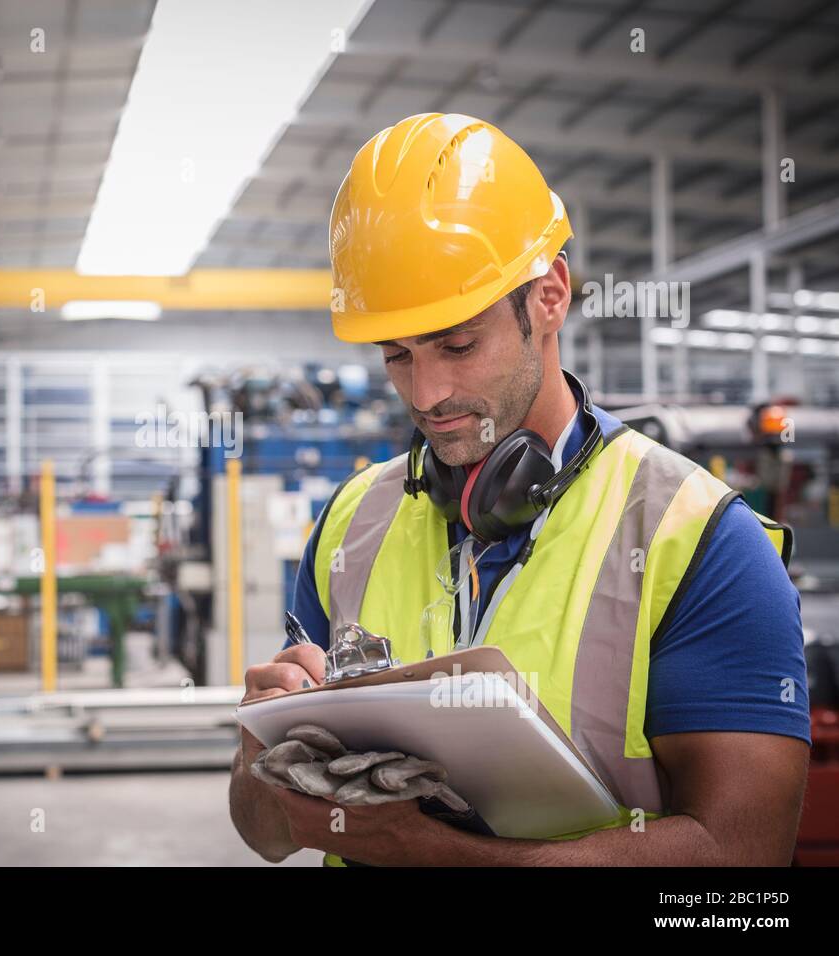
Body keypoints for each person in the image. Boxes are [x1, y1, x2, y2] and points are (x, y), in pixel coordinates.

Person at [228, 113, 811, 866]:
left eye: (458, 344)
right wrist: (259, 756)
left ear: (549, 296)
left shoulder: (696, 541)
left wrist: (425, 849)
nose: (427, 391)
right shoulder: (348, 526)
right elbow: (261, 832)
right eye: (396, 355)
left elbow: (740, 859)